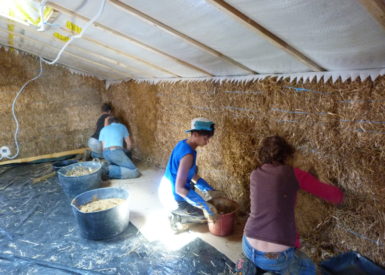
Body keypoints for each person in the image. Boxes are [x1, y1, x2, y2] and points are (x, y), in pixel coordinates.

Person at [242, 135, 344, 274]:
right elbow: (332, 195)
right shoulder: (293, 174)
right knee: (310, 268)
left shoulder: (254, 174)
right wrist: (343, 193)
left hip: (248, 245)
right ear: (287, 155)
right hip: (276, 257)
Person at [158, 117, 222, 233]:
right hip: (173, 198)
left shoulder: (183, 144)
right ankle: (179, 219)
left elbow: (191, 174)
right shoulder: (188, 156)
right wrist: (205, 206)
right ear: (196, 134)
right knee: (210, 216)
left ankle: (181, 212)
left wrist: (208, 189)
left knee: (194, 169)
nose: (208, 142)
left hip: (166, 190)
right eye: (206, 138)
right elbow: (179, 189)